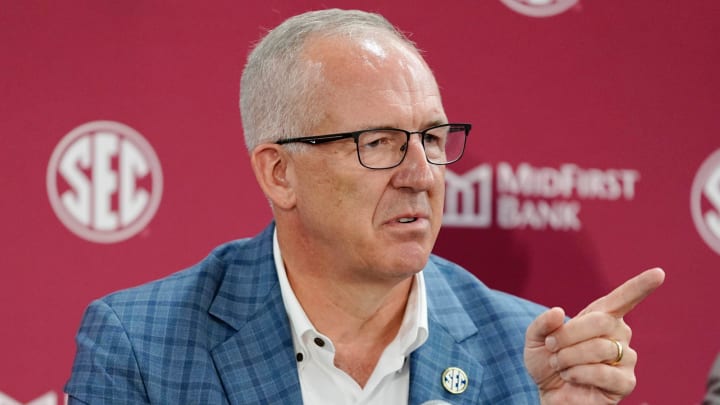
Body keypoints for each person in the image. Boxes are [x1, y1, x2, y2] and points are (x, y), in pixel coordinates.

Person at [65, 8, 665, 404]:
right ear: (280, 174)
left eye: (431, 138)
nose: (420, 175)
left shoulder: (526, 351)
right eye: (377, 143)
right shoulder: (141, 345)